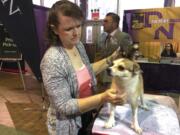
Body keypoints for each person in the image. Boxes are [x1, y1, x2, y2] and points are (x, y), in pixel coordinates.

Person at [40, 1, 126, 135]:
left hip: (85, 113)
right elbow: (64, 106)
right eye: (68, 29)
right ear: (55, 29)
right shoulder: (52, 60)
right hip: (67, 125)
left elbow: (86, 71)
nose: (76, 33)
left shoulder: (78, 45)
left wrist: (111, 59)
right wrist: (102, 98)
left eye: (79, 26)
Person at [97, 12, 133, 88]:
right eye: (104, 21)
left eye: (106, 21)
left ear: (114, 24)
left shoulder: (124, 37)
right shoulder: (104, 37)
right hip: (102, 79)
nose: (103, 24)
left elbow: (129, 59)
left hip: (115, 79)